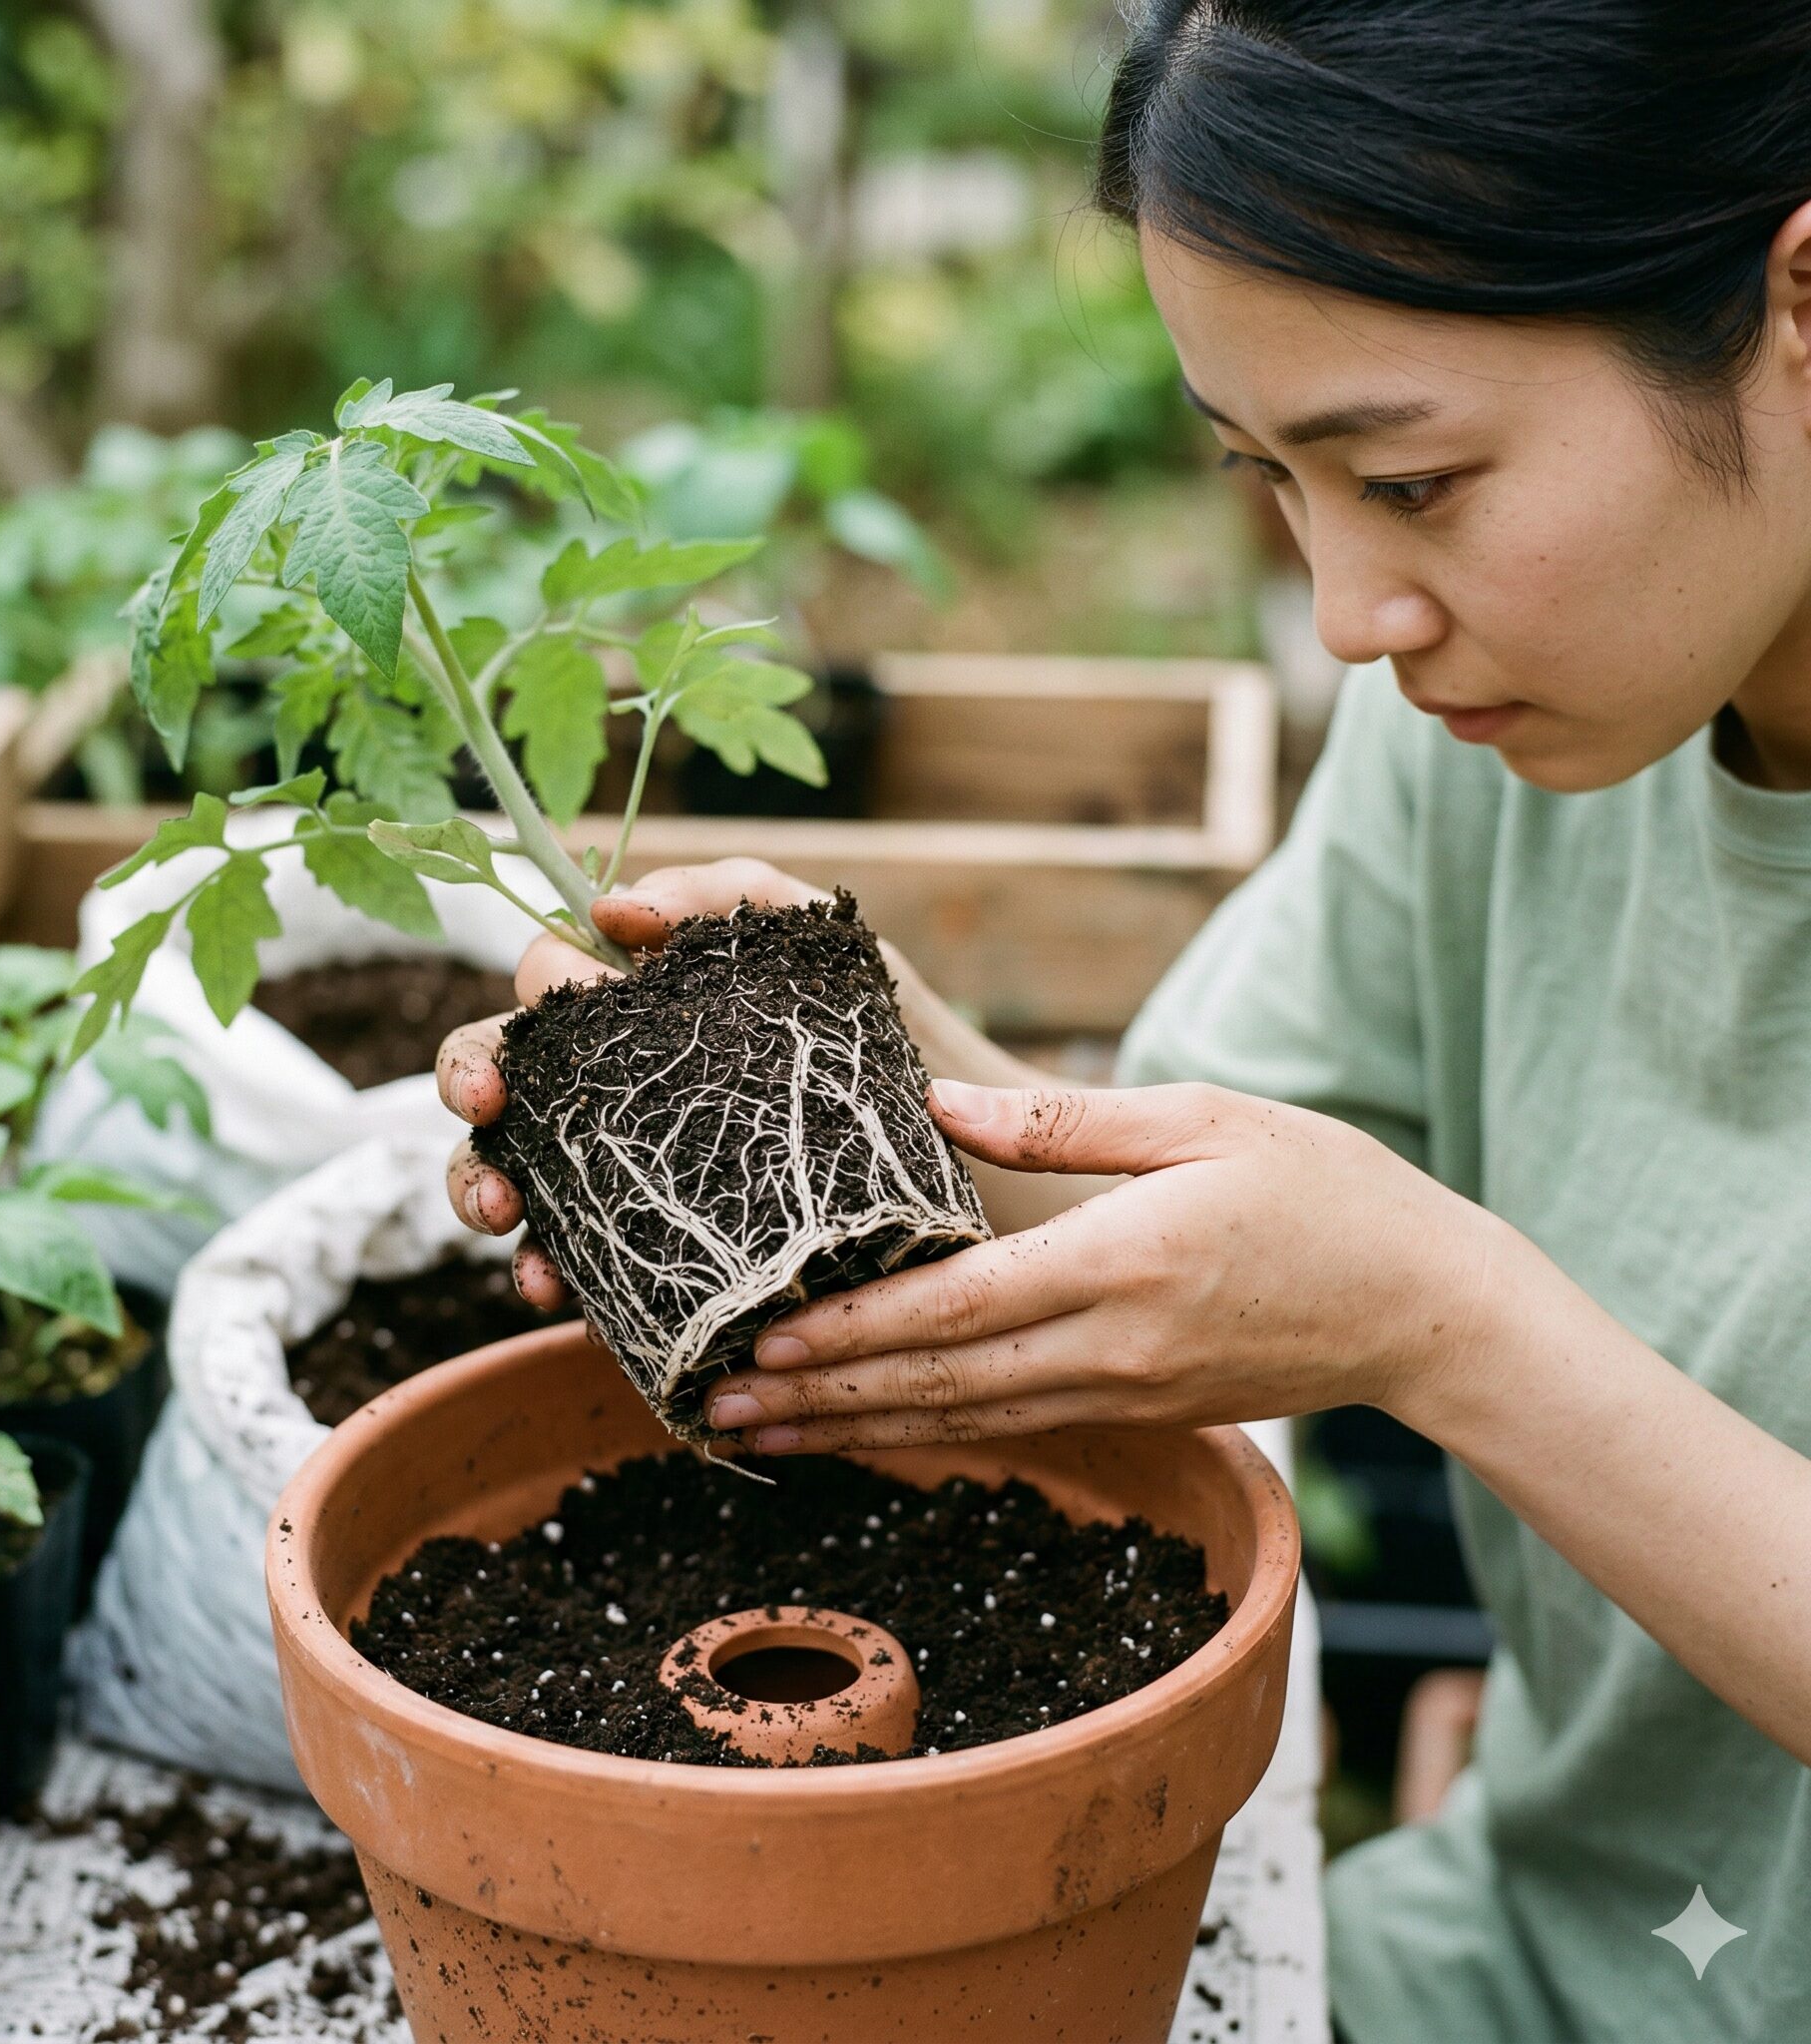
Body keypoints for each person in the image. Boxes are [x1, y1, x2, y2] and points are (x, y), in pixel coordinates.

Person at [436, 6, 1811, 2038]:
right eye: (1272, 477)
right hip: (1521, 1948)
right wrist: (890, 1098)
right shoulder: (1483, 736)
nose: (1350, 609)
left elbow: (1386, 1288)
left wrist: (1450, 1329)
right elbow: (1159, 1225)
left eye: (1414, 479)